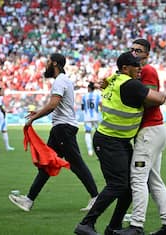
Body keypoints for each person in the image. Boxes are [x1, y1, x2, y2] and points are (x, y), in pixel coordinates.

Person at [74, 51, 166, 235]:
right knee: (118, 184)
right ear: (125, 68)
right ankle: (86, 224)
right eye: (135, 65)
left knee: (130, 185)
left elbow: (107, 82)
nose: (140, 68)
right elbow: (160, 99)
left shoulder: (114, 79)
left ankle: (114, 227)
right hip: (110, 141)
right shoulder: (131, 84)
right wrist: (162, 91)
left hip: (116, 140)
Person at [8, 53, 99, 212]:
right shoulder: (64, 80)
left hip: (63, 129)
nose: (46, 65)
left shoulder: (60, 81)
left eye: (48, 62)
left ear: (55, 64)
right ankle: (29, 200)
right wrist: (38, 112)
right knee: (47, 164)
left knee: (76, 164)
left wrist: (34, 117)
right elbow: (56, 105)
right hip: (61, 128)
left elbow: (53, 105)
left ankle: (96, 197)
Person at [114, 39, 166, 235]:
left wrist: (129, 101)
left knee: (138, 178)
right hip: (153, 130)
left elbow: (151, 100)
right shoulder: (134, 73)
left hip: (150, 130)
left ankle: (136, 226)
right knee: (153, 180)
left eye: (138, 50)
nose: (134, 53)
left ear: (147, 54)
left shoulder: (147, 70)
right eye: (132, 49)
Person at [81, 82, 102, 156]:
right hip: (96, 116)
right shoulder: (97, 95)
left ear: (89, 88)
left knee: (87, 133)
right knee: (99, 133)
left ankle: (90, 150)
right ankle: (99, 149)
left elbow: (82, 107)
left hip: (87, 117)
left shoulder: (84, 96)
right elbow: (101, 105)